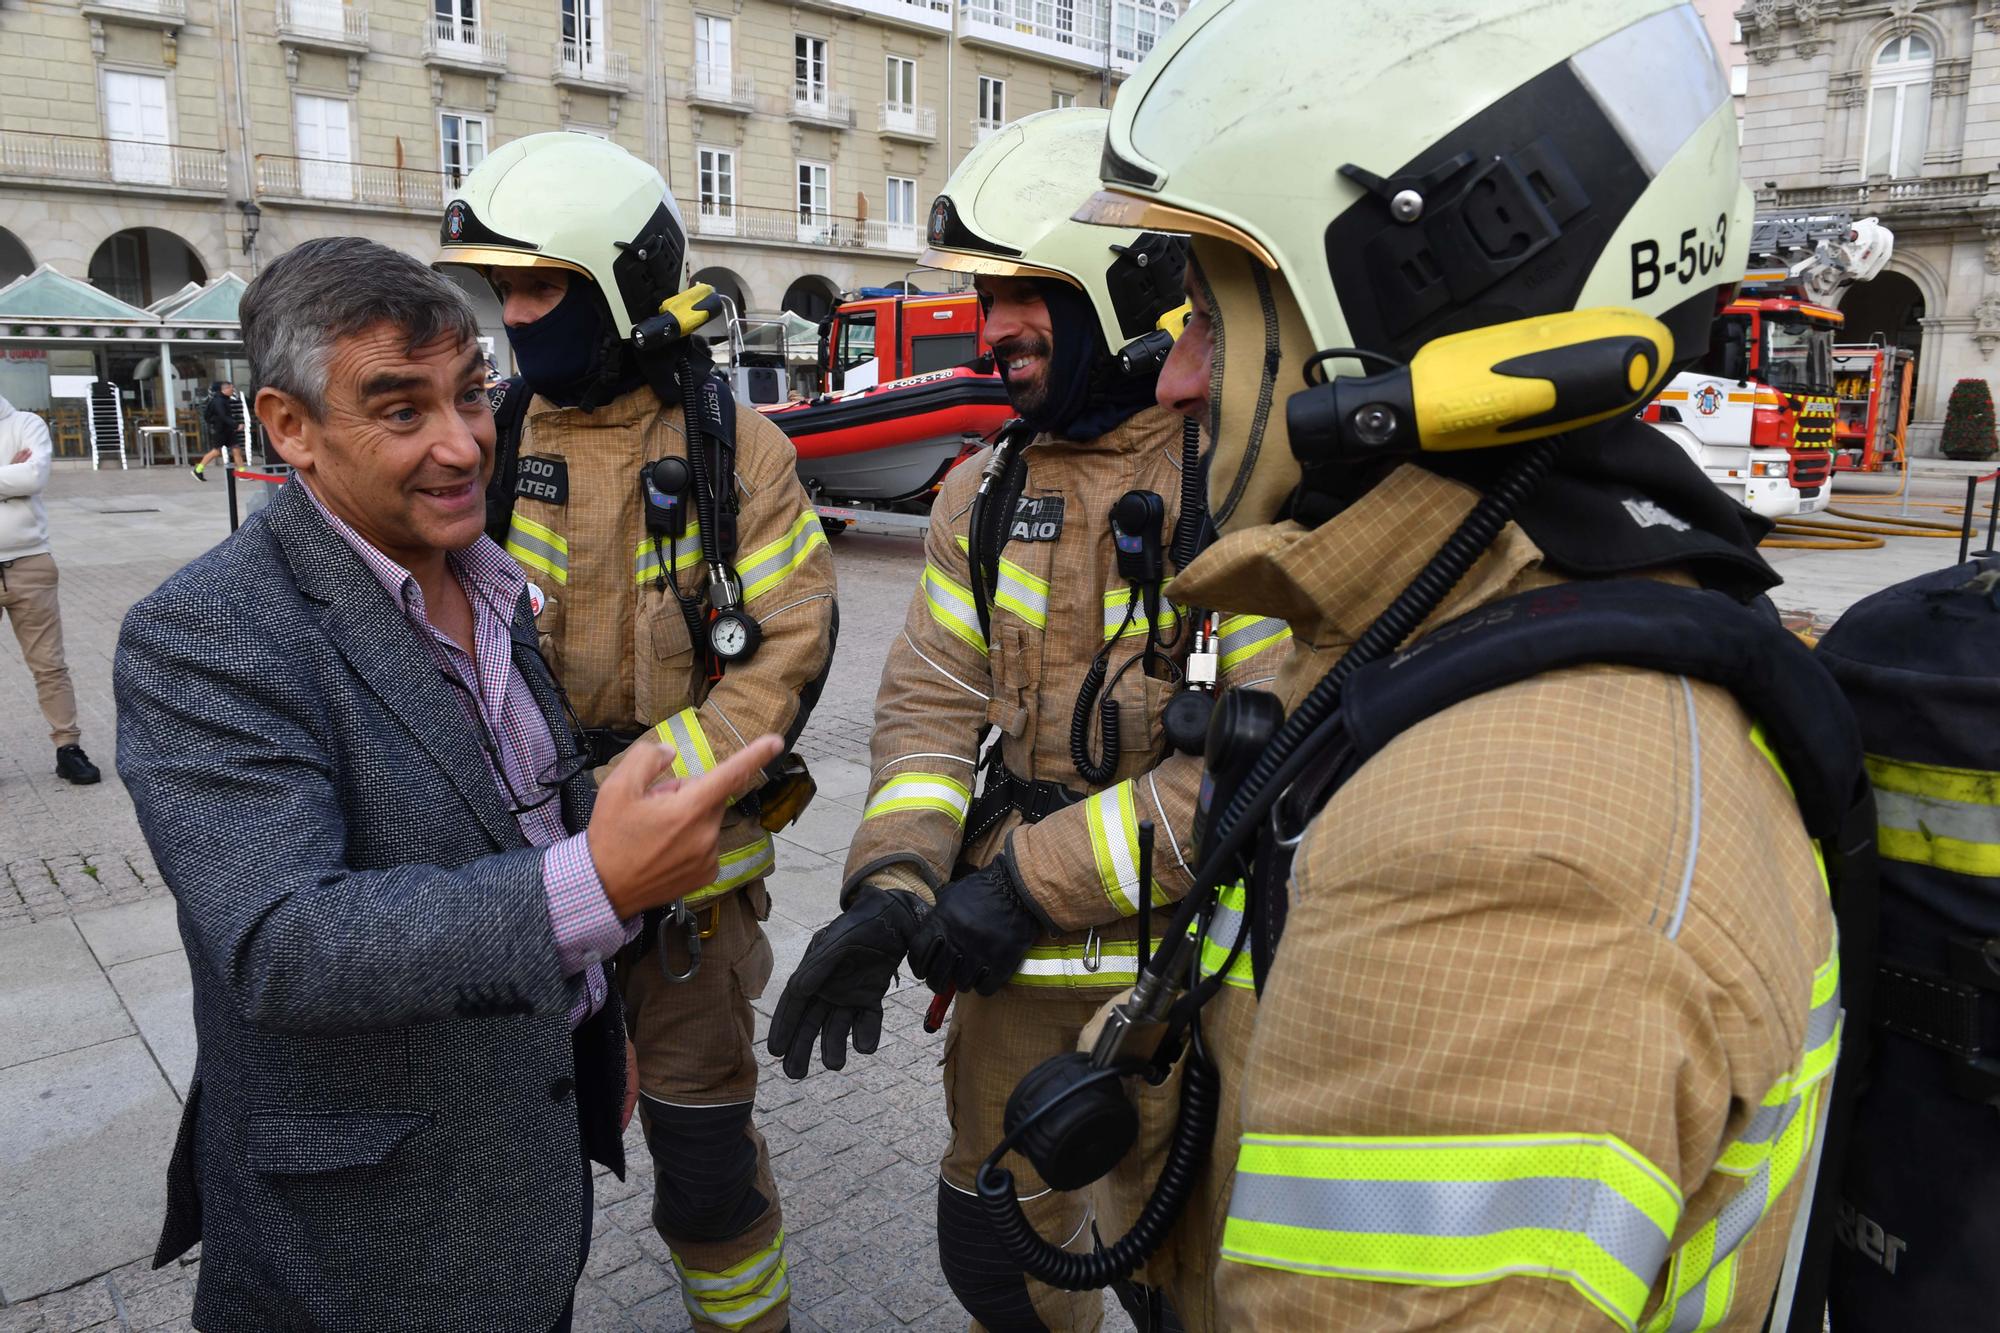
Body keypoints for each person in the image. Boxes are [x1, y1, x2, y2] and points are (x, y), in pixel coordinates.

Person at [1044, 2, 1855, 1329]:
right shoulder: (1481, 617)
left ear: (1415, 304)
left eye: (1209, 311)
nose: (1177, 379)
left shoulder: (1504, 856)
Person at [114, 236, 783, 1332]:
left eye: (471, 395)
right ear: (288, 428)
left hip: (524, 1175)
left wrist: (590, 1024)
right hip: (361, 1244)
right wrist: (596, 882)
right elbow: (283, 942)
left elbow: (514, 817)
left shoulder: (492, 578)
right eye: (399, 408)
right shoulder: (205, 633)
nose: (463, 442)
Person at [767, 108, 1290, 1333]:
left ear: (1116, 291)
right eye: (986, 294)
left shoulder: (1245, 483)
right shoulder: (983, 489)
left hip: (1197, 988)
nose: (992, 326)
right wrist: (895, 884)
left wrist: (1021, 882)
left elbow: (1246, 775)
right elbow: (930, 704)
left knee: (1192, 1288)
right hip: (1015, 989)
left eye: (1024, 291)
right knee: (994, 1259)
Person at [438, 132, 837, 1333]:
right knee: (511, 1161)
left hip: (688, 887)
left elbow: (787, 649)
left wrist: (656, 792)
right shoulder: (496, 437)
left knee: (706, 1161)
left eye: (539, 286)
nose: (513, 315)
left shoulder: (736, 446)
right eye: (501, 288)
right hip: (519, 871)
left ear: (622, 279)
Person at [0, 392, 100, 784]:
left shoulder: (26, 423)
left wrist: (22, 475)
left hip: (30, 562)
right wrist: (10, 474)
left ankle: (68, 747)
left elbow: (35, 476)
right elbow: (20, 479)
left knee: (50, 665)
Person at [192, 379, 242, 480]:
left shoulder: (224, 399)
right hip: (220, 430)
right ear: (225, 389)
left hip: (227, 429)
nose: (233, 390)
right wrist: (236, 425)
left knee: (236, 449)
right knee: (216, 451)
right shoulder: (218, 401)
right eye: (231, 388)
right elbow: (223, 416)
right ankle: (198, 470)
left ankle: (242, 473)